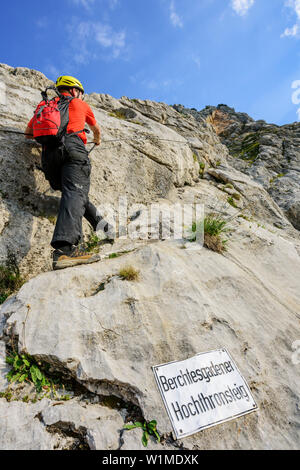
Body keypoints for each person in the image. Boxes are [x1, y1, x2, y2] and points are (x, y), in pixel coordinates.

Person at [25, 75, 112, 270]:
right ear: (74, 91)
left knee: (74, 193)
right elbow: (95, 129)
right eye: (80, 92)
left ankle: (104, 228)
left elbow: (28, 133)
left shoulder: (46, 104)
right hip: (73, 149)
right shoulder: (80, 105)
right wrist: (97, 140)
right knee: (76, 192)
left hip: (49, 156)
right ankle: (65, 250)